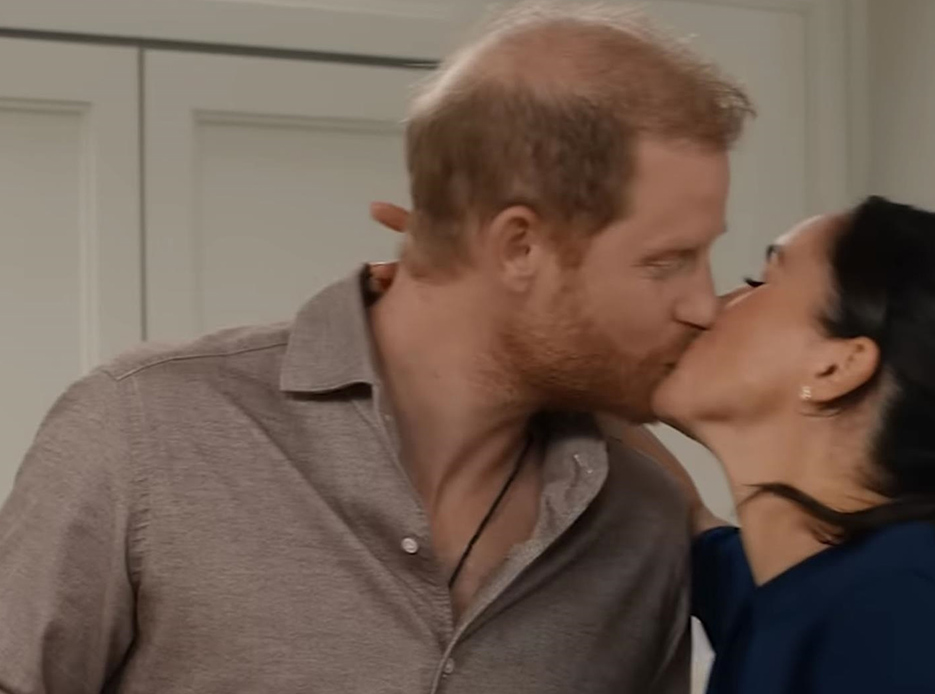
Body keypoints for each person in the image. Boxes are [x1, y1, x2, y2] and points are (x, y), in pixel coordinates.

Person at [0, 5, 753, 692]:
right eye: (667, 262)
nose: (702, 305)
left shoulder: (641, 521)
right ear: (520, 247)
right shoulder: (142, 429)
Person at [649, 197, 935, 694]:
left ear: (836, 367)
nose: (710, 307)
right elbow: (685, 516)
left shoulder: (902, 620)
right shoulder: (828, 585)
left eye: (761, 282)